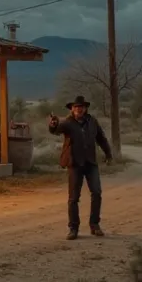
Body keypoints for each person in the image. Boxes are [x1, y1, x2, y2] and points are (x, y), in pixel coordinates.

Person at [48, 95, 113, 240]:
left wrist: (108, 154)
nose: (79, 109)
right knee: (73, 198)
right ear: (72, 109)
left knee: (96, 193)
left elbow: (101, 138)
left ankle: (94, 225)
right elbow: (56, 130)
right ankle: (73, 228)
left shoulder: (92, 122)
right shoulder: (67, 123)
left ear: (85, 108)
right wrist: (53, 124)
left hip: (91, 162)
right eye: (76, 107)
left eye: (81, 107)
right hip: (75, 163)